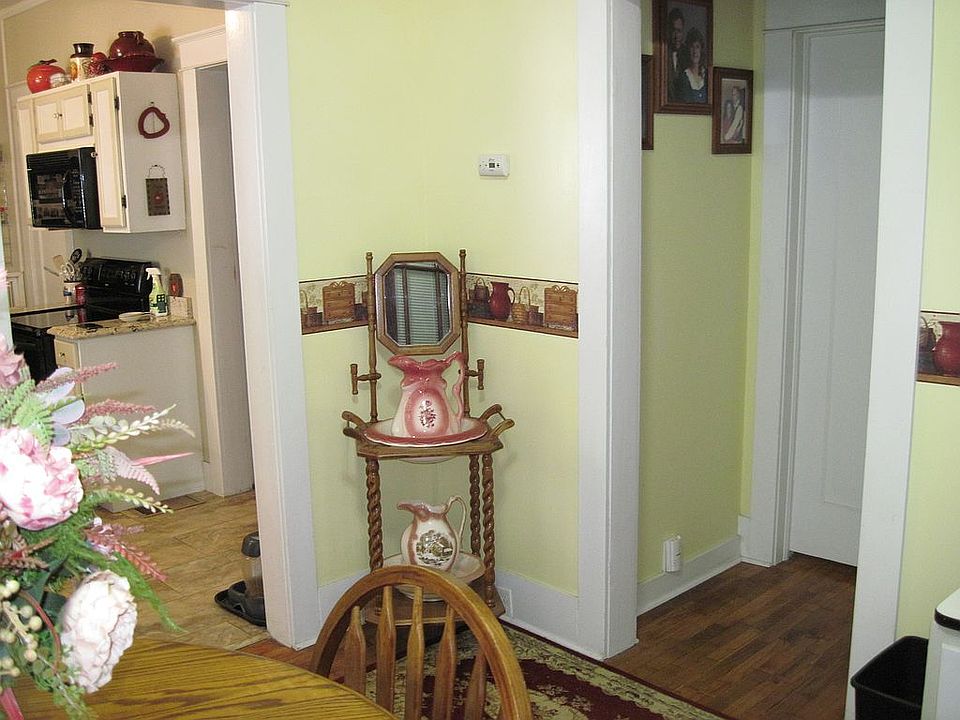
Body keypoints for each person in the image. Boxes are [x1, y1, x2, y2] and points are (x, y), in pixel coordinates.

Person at [674, 27, 707, 104]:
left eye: (697, 47)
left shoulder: (708, 75)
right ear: (688, 50)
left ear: (701, 50)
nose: (695, 51)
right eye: (692, 47)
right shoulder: (683, 78)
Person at [665, 7, 688, 101]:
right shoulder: (663, 53)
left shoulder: (688, 54)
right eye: (673, 30)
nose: (676, 36)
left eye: (679, 31)